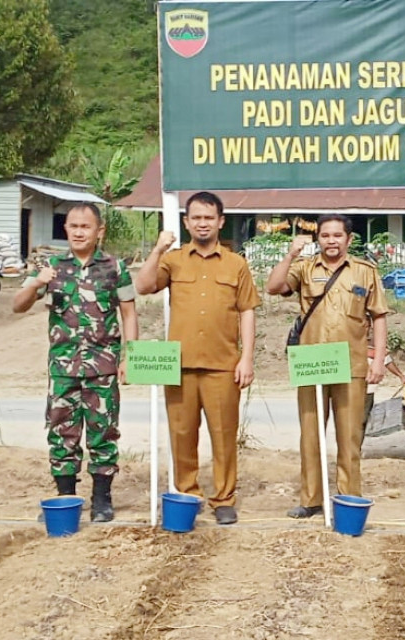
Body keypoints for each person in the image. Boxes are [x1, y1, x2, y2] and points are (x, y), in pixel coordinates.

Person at [133, 191, 259, 526]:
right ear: (187, 222)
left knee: (223, 435)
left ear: (220, 221)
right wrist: (158, 248)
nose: (202, 223)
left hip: (223, 365)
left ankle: (224, 498)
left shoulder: (237, 264)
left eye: (209, 218)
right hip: (181, 365)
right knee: (182, 433)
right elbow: (143, 286)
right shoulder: (173, 261)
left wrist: (246, 358)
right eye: (196, 218)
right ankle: (188, 491)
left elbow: (247, 311)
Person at [13, 203, 138, 522]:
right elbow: (18, 305)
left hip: (103, 367)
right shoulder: (51, 265)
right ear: (65, 229)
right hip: (63, 369)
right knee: (62, 433)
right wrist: (37, 283)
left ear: (100, 231)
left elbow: (128, 312)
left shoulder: (115, 267)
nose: (79, 231)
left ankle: (101, 499)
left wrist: (129, 356)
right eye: (73, 226)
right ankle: (65, 497)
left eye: (85, 226)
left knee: (104, 433)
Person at [266, 213, 389, 519]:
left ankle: (349, 498)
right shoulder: (304, 269)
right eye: (325, 236)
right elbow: (273, 286)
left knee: (349, 437)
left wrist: (379, 360)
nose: (331, 241)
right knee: (310, 435)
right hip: (312, 362)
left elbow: (379, 317)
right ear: (317, 238)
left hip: (351, 363)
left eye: (337, 236)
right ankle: (311, 499)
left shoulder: (364, 271)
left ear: (348, 239)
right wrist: (291, 252)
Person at [362, 345, 405, 431]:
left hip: (368, 389)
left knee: (362, 421)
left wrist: (401, 376)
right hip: (349, 388)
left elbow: (387, 360)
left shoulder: (376, 350)